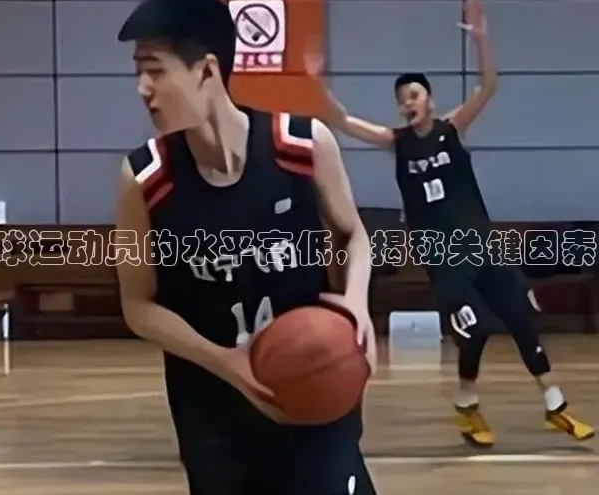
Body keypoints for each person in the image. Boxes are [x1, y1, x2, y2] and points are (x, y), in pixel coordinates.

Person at [114, 0, 377, 493]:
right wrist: (224, 361)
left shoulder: (302, 145)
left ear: (206, 71)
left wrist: (356, 304)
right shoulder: (145, 178)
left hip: (313, 389)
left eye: (155, 71)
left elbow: (353, 235)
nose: (142, 88)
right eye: (138, 72)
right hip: (213, 413)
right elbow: (138, 305)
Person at [307, 0, 593, 447]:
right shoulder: (396, 142)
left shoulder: (451, 129)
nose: (408, 103)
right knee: (473, 331)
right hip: (445, 260)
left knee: (520, 319)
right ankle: (466, 402)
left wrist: (481, 41)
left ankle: (554, 405)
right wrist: (316, 83)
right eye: (402, 99)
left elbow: (488, 86)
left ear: (429, 100)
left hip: (482, 248)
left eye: (414, 95)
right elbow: (341, 121)